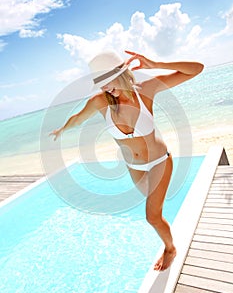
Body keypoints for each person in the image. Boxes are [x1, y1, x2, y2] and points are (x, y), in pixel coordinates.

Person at [50, 50, 204, 271]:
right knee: (156, 208)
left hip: (159, 160)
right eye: (100, 84)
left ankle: (170, 248)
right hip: (135, 168)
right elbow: (78, 118)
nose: (105, 88)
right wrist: (62, 129)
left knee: (152, 216)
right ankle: (163, 221)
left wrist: (156, 64)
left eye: (107, 81)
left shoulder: (146, 91)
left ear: (122, 73)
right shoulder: (100, 102)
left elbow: (197, 69)